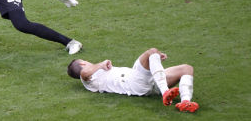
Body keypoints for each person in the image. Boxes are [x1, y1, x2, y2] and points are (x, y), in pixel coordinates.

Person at [67, 48, 199, 113]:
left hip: (149, 83)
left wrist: (156, 58)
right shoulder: (89, 80)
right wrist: (101, 64)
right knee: (150, 51)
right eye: (85, 61)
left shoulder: (96, 75)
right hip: (133, 82)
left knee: (187, 68)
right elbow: (84, 73)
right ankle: (166, 92)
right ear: (82, 64)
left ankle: (185, 102)